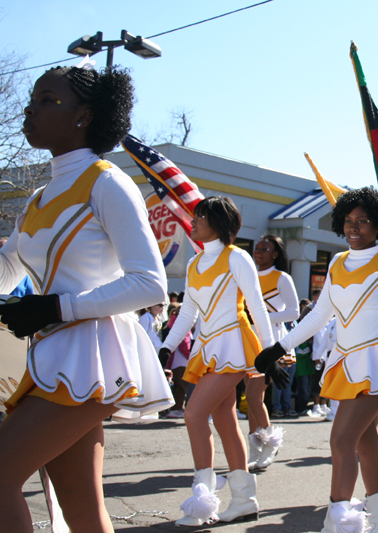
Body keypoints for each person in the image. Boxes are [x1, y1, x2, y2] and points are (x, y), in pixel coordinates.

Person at [0, 64, 172, 532]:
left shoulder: (106, 182)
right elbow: (6, 272)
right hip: (49, 359)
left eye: (48, 100)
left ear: (84, 116)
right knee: (82, 509)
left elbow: (150, 283)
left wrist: (56, 307)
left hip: (92, 358)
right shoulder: (37, 199)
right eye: (33, 98)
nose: (31, 108)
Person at [253, 187, 378, 533]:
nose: (354, 227)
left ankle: (338, 522)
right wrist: (278, 348)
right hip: (345, 363)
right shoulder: (339, 262)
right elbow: (318, 317)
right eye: (348, 221)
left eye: (363, 221)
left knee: (341, 441)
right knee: (366, 442)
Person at [159, 196, 282, 525]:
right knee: (224, 419)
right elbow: (187, 311)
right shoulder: (194, 262)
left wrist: (270, 352)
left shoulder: (236, 257)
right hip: (207, 347)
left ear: (219, 221)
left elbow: (256, 305)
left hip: (234, 344)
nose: (194, 221)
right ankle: (244, 499)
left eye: (200, 216)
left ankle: (203, 499)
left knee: (193, 414)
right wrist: (167, 347)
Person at [244, 234, 299, 471]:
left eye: (265, 249)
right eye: (257, 248)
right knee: (250, 397)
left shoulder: (282, 278)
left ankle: (270, 442)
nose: (258, 252)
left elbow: (294, 312)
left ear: (275, 253)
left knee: (255, 395)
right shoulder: (248, 276)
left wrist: (261, 317)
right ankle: (255, 448)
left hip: (271, 343)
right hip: (248, 340)